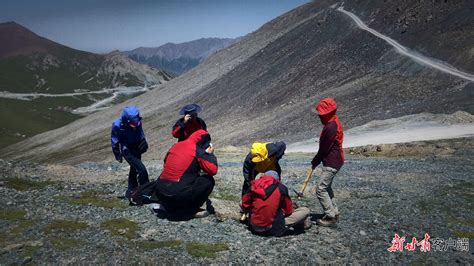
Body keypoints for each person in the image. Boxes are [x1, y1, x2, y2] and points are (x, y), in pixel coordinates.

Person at [154, 129, 217, 218]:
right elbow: (213, 170)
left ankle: (169, 206)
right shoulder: (197, 150)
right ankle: (189, 210)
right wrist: (210, 155)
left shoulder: (176, 145)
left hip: (161, 193)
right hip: (178, 194)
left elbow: (165, 162)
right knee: (208, 180)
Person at [241, 170, 311, 236]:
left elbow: (245, 204)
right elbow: (288, 211)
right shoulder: (281, 188)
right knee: (305, 210)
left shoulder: (253, 185)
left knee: (242, 202)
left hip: (253, 228)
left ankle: (254, 219)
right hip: (273, 229)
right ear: (277, 179)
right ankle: (298, 224)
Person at [311, 98, 344, 227]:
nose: (319, 117)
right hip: (335, 160)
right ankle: (334, 212)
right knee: (327, 186)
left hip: (332, 161)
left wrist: (316, 160)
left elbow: (325, 148)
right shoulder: (332, 122)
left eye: (321, 114)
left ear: (327, 113)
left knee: (320, 188)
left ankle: (330, 217)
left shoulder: (331, 127)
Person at [111, 106, 150, 199]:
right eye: (133, 124)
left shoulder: (137, 122)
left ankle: (131, 191)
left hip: (137, 147)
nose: (135, 125)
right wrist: (117, 154)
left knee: (134, 169)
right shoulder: (117, 125)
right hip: (127, 150)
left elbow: (140, 131)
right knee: (142, 170)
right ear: (126, 120)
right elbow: (114, 140)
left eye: (136, 123)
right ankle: (146, 191)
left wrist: (143, 141)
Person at [241, 141, 286, 219]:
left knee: (276, 185)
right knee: (247, 185)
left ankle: (277, 204)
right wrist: (250, 188)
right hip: (256, 168)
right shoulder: (249, 159)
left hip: (271, 166)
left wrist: (278, 157)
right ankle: (246, 208)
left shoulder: (274, 149)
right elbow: (247, 175)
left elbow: (283, 145)